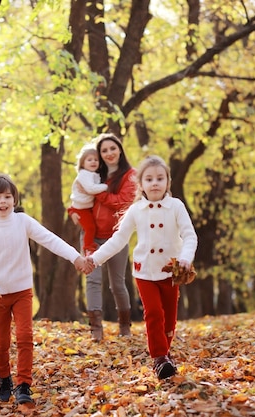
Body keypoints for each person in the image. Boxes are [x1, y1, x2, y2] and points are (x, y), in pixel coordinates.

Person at [0, 174, 92, 405]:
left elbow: (50, 240)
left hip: (22, 291)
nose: (3, 202)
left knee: (24, 336)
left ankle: (24, 384)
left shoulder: (23, 222)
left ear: (14, 199)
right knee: (1, 342)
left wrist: (75, 257)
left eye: (7, 196)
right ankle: (4, 378)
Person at [87, 155, 198, 379]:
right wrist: (96, 259)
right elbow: (118, 240)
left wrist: (186, 257)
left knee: (169, 319)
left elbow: (189, 235)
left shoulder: (176, 206)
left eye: (159, 178)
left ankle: (165, 352)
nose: (154, 183)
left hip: (171, 271)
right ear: (141, 184)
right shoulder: (136, 210)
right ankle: (159, 358)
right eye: (149, 179)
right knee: (154, 313)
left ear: (168, 182)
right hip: (145, 271)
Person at [70, 133, 136, 341]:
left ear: (120, 150)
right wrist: (71, 210)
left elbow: (122, 202)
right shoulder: (93, 172)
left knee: (117, 283)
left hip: (116, 236)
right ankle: (95, 328)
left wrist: (97, 192)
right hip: (92, 235)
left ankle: (125, 325)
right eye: (104, 150)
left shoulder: (129, 175)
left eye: (112, 149)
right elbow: (79, 194)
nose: (109, 153)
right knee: (92, 280)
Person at [67, 145, 108, 255]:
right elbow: (91, 189)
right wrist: (105, 187)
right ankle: (87, 247)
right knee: (90, 228)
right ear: (82, 163)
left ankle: (89, 244)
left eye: (96, 160)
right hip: (81, 208)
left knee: (91, 227)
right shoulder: (84, 175)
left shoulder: (93, 174)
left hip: (86, 206)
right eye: (89, 160)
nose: (93, 162)